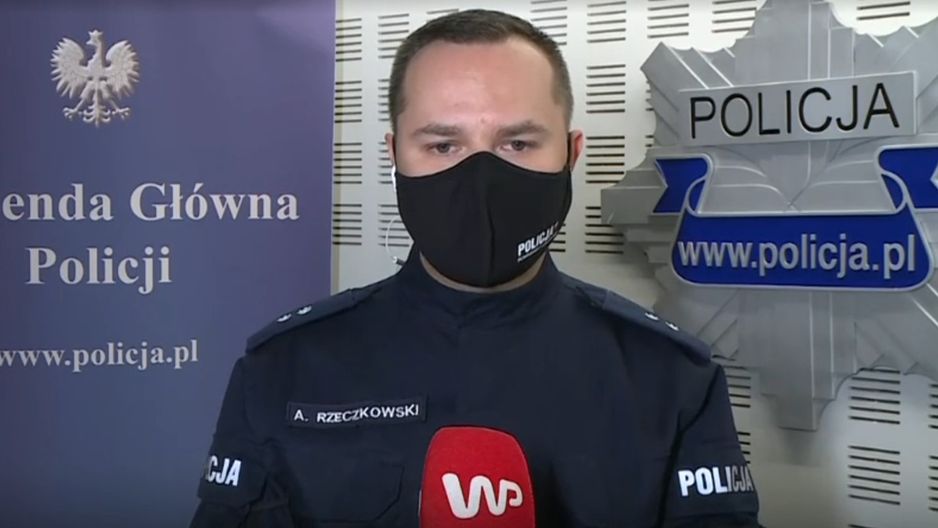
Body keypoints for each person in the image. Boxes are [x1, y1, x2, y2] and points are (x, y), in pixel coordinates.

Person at [189, 9, 761, 528]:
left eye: (517, 143)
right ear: (394, 156)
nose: (480, 176)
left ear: (571, 154)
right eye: (443, 146)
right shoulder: (284, 368)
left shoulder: (671, 377)